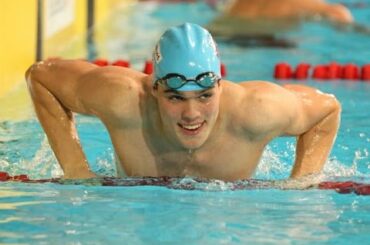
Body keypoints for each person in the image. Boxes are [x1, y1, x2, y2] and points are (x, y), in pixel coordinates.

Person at [25, 23, 341, 180]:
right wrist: (77, 171)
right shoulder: (122, 99)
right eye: (176, 97)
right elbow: (41, 76)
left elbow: (326, 110)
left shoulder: (256, 110)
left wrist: (302, 184)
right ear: (154, 90)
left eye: (205, 96)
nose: (191, 114)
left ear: (220, 87)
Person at [207, 0, 355, 47]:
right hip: (269, 42)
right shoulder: (326, 9)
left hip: (218, 35)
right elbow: (353, 30)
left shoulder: (237, 3)